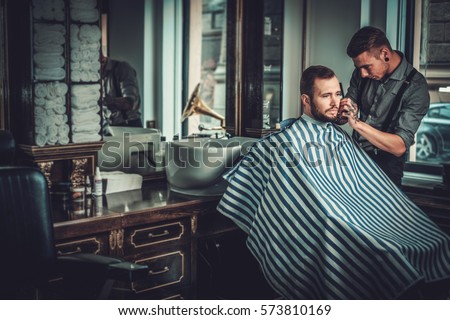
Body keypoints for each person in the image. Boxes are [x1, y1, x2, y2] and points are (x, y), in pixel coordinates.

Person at [217, 65, 450, 299]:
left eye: (338, 94)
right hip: (338, 224)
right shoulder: (283, 143)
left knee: (436, 240)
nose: (335, 102)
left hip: (367, 218)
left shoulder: (338, 135)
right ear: (306, 100)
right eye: (326, 96)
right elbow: (312, 205)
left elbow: (364, 189)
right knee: (388, 254)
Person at [341, 26, 430, 186]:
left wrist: (358, 125)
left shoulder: (416, 87)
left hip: (386, 169)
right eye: (358, 68)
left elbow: (399, 146)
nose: (362, 74)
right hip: (354, 158)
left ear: (385, 54)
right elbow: (344, 115)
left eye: (367, 67)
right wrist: (338, 107)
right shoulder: (361, 74)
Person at [101, 54, 142, 128]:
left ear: (102, 60)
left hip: (129, 125)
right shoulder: (99, 76)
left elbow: (129, 103)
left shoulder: (122, 68)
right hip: (110, 126)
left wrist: (108, 101)